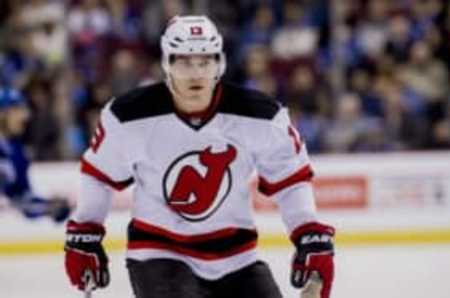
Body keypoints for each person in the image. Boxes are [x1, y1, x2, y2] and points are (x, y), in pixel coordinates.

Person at [64, 15, 335, 298]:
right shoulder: (128, 116)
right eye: (184, 62)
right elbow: (100, 175)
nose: (196, 73)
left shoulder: (261, 116)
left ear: (219, 64)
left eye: (204, 61)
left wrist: (309, 233)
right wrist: (86, 231)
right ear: (167, 63)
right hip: (159, 253)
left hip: (237, 258)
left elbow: (291, 180)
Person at [0, 85, 70, 222]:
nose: (25, 116)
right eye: (16, 110)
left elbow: (21, 198)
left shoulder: (17, 151)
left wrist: (48, 207)